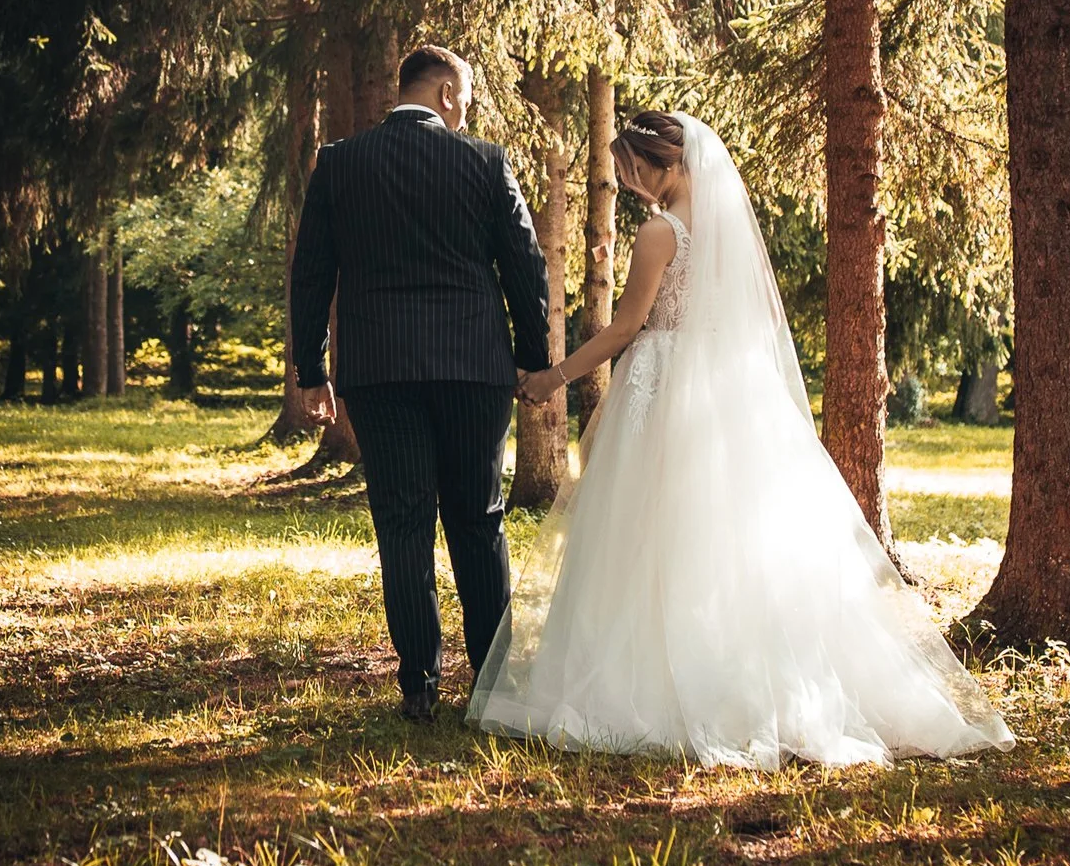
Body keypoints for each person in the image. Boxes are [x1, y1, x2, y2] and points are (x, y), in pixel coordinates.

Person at [470, 111, 1010, 769]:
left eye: (634, 170)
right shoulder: (728, 232)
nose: (630, 183)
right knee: (728, 537)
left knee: (647, 533)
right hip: (731, 390)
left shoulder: (658, 234)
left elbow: (623, 331)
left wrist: (553, 376)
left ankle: (653, 684)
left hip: (665, 388)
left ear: (667, 165)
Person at [289, 43, 553, 722]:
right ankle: (493, 683)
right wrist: (534, 359)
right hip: (473, 368)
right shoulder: (486, 162)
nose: (466, 111)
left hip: (381, 372)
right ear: (443, 93)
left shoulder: (340, 164)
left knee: (403, 522)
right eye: (463, 97)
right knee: (478, 519)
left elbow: (312, 272)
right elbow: (525, 268)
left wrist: (312, 371)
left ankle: (419, 684)